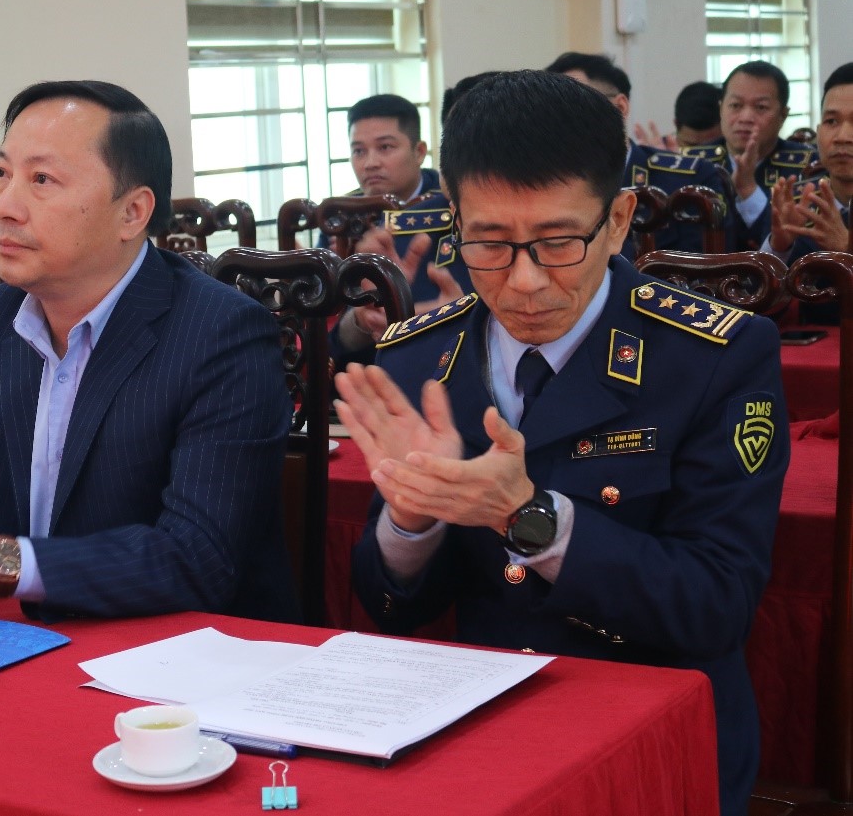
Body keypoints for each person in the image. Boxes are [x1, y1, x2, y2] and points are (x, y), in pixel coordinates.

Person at [341, 69, 787, 815]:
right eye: (489, 242)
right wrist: (413, 517)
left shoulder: (713, 356)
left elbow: (717, 605)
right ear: (454, 218)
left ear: (618, 218)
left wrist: (527, 516)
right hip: (478, 732)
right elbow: (393, 608)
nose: (524, 282)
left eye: (557, 242)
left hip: (650, 734)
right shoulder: (419, 356)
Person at [0, 80, 297, 622]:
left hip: (178, 651)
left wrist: (2, 563)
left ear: (133, 212)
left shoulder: (222, 334)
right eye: (1, 173)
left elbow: (197, 556)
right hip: (26, 642)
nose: (4, 206)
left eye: (42, 179)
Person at [329, 94, 468, 370]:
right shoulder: (341, 217)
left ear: (419, 152)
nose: (370, 163)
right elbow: (334, 337)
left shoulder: (448, 202)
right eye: (359, 151)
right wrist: (361, 319)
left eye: (385, 147)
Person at [546, 52, 735, 254]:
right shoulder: (547, 186)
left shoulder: (688, 180)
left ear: (619, 107)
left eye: (573, 106)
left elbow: (712, 264)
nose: (563, 122)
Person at [686, 60, 816, 249]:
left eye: (761, 107)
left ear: (783, 115)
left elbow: (800, 248)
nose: (746, 118)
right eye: (735, 105)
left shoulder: (808, 167)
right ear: (721, 109)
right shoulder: (693, 163)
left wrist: (748, 190)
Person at [763, 63, 853, 324]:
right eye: (831, 121)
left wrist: (846, 252)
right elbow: (756, 307)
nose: (842, 137)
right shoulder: (799, 202)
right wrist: (779, 248)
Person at [632, 80, 724, 151]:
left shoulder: (731, 153)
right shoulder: (657, 154)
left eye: (710, 146)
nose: (701, 155)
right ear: (676, 124)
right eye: (691, 147)